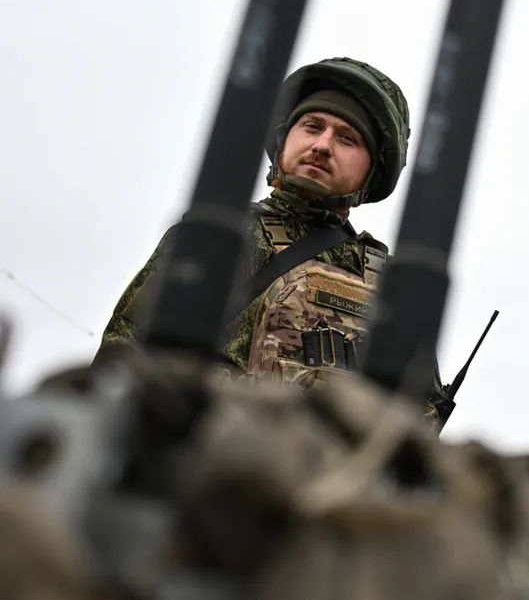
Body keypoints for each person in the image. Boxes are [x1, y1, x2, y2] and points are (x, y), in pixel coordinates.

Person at [95, 56, 443, 422]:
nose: (323, 145)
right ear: (283, 139)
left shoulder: (390, 285)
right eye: (312, 126)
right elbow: (121, 363)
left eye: (347, 138)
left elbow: (416, 416)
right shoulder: (221, 239)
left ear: (371, 171)